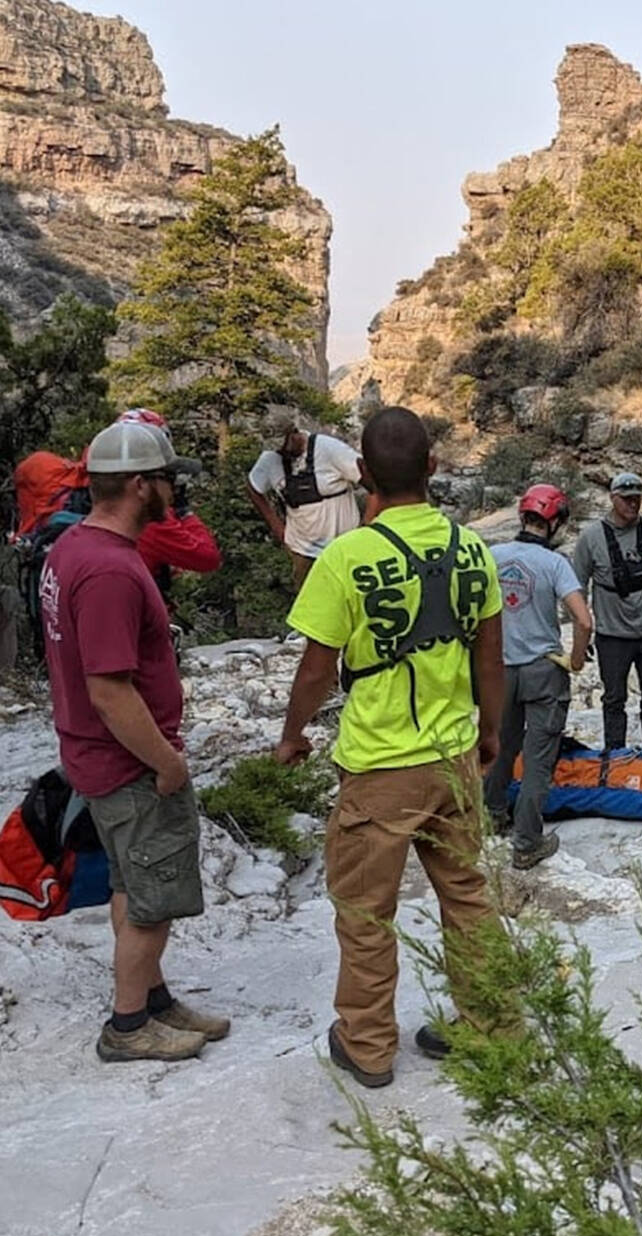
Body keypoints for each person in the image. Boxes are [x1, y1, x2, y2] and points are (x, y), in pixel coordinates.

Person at [274, 406, 506, 1089]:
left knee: (365, 910)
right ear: (432, 469)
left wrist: (293, 735)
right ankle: (491, 1025)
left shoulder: (346, 557)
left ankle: (369, 1044)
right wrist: (489, 732)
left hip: (381, 766)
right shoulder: (472, 550)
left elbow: (317, 668)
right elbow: (490, 660)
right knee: (466, 896)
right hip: (455, 755)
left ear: (364, 474)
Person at [39, 419, 228, 1062]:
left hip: (94, 756)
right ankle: (127, 1028)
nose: (174, 491)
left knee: (129, 881)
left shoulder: (73, 550)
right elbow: (111, 689)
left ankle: (152, 1000)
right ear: (141, 485)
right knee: (152, 898)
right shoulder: (112, 570)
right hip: (127, 763)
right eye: (168, 480)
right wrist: (167, 762)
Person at [483, 484, 593, 869]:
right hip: (543, 670)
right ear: (555, 521)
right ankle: (527, 842)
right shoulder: (556, 564)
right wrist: (576, 661)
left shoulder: (492, 556)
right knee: (538, 759)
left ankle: (492, 814)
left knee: (502, 745)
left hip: (499, 669)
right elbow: (583, 619)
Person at [571, 472, 642, 751]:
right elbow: (576, 588)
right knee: (613, 700)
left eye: (637, 499)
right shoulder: (591, 538)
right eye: (626, 499)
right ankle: (613, 757)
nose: (633, 505)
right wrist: (581, 633)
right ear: (613, 498)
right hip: (612, 635)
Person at [116, 410, 223, 599]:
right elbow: (207, 558)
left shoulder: (100, 504)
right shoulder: (148, 520)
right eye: (167, 477)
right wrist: (184, 511)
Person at [247, 420, 362, 589]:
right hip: (302, 551)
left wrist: (368, 525)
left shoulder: (329, 449)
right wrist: (278, 528)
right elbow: (252, 487)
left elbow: (371, 479)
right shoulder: (271, 458)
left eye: (283, 446)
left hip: (346, 547)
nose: (281, 453)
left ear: (294, 434)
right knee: (310, 606)